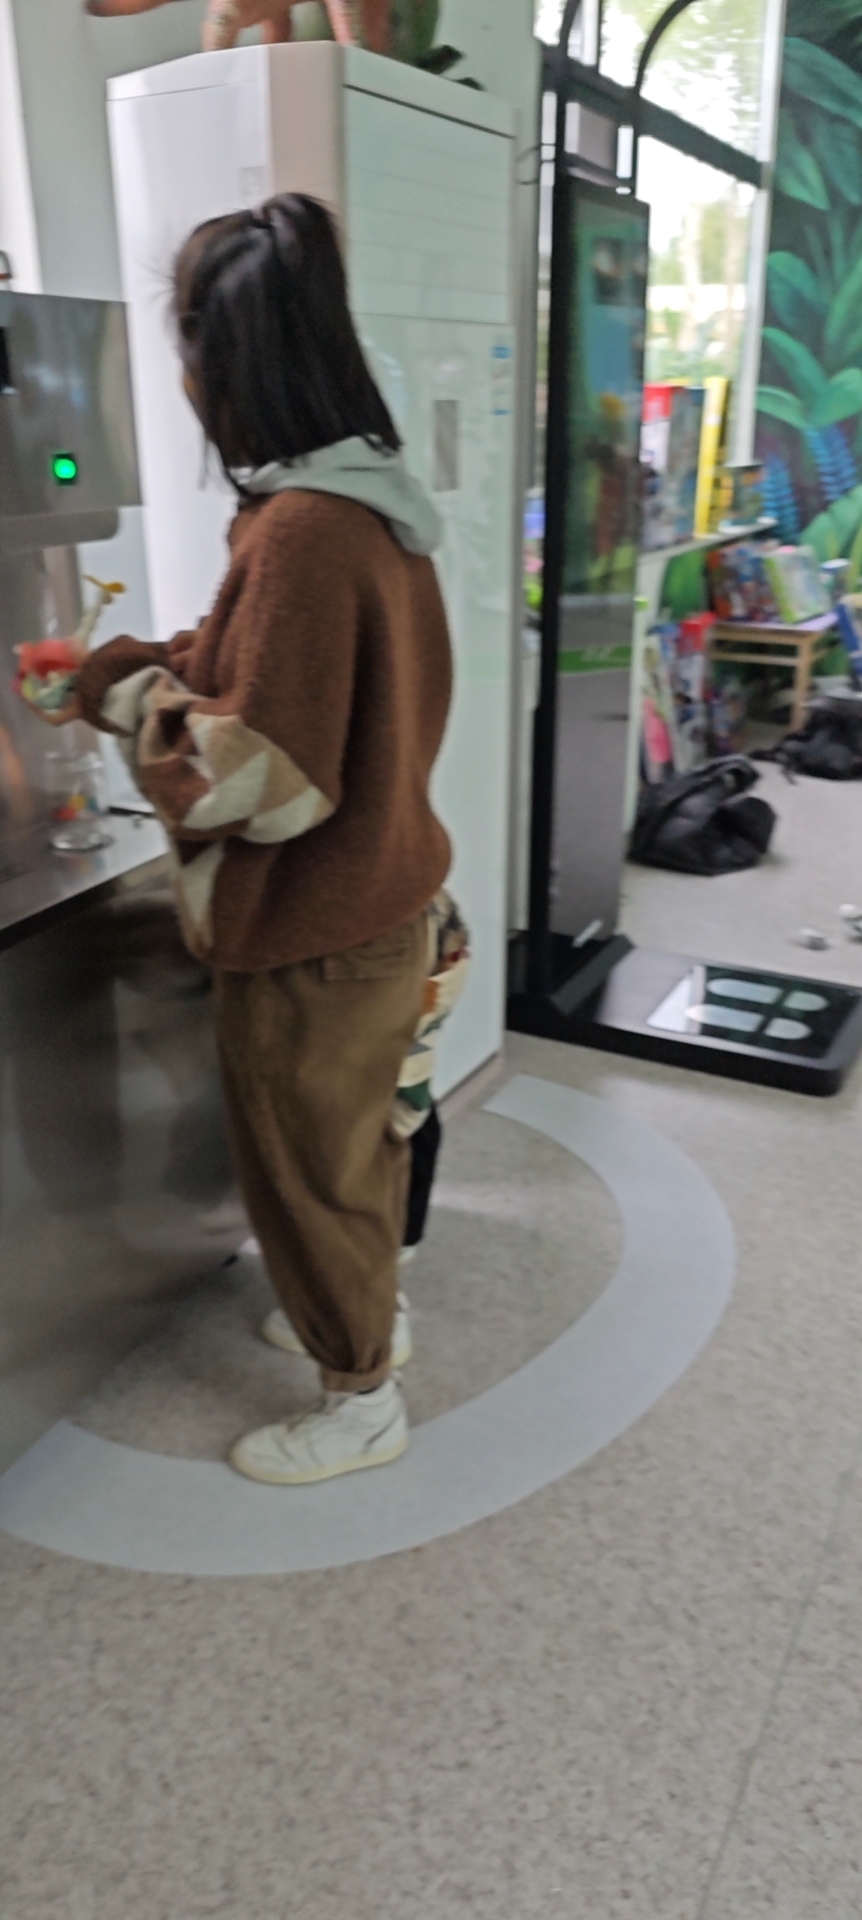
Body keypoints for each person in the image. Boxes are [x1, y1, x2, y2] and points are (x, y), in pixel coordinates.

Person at [41, 193, 465, 1485]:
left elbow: (260, 782)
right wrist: (116, 667)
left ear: (229, 364)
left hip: (311, 930)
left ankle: (359, 1396)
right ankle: (367, 1314)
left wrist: (126, 702)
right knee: (357, 1150)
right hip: (387, 901)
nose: (182, 381)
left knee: (302, 1172)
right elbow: (255, 672)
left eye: (188, 347)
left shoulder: (300, 533)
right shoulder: (366, 501)